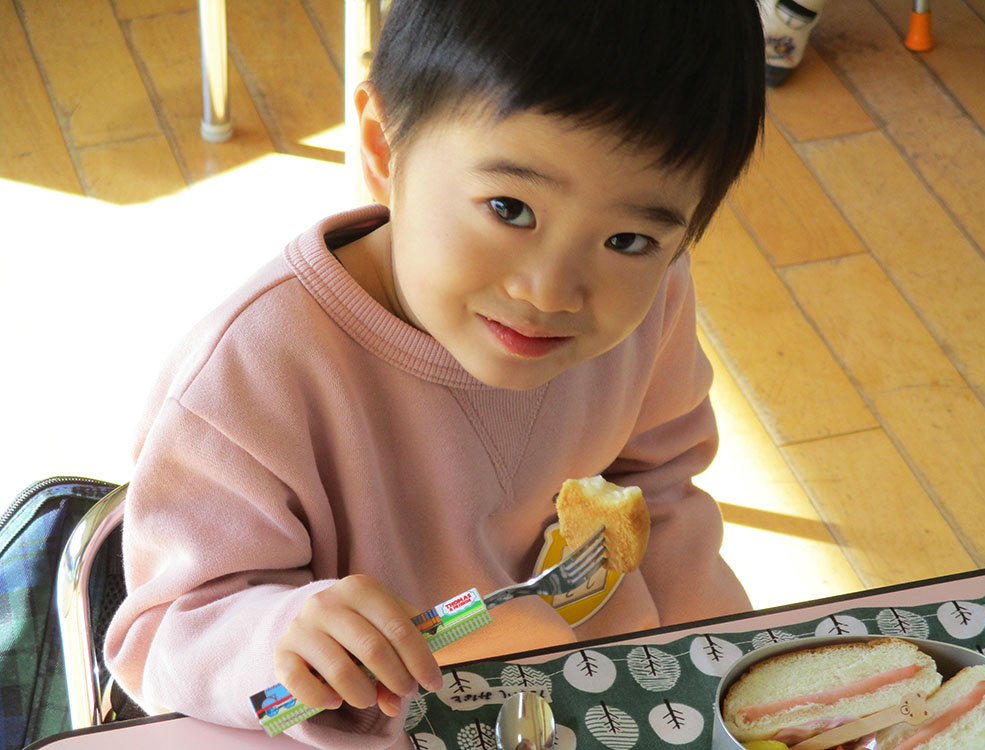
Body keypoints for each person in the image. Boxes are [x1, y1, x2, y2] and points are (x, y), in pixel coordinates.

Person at [104, 1, 766, 747]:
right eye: (510, 208)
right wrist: (282, 637)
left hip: (593, 701)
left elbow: (660, 490)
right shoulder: (248, 379)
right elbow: (168, 633)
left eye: (627, 238)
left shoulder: (651, 298)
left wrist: (720, 673)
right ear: (384, 150)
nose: (551, 291)